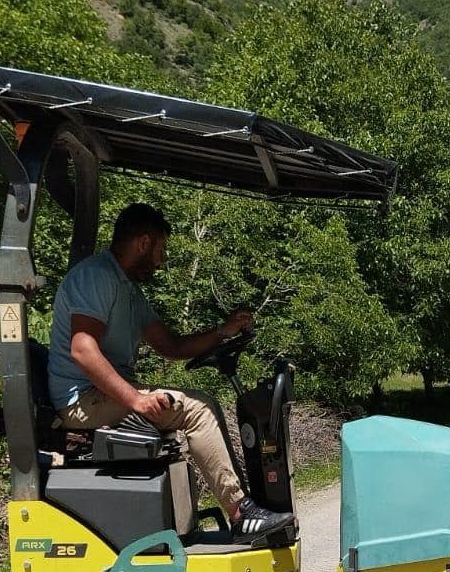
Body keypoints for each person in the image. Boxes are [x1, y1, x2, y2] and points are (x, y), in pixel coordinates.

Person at [46, 202, 294, 544]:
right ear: (144, 243)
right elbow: (82, 350)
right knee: (197, 409)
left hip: (102, 395)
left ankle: (236, 510)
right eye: (161, 251)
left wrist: (223, 331)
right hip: (81, 400)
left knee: (199, 405)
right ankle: (241, 515)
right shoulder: (97, 276)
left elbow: (172, 346)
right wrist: (135, 399)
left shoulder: (128, 289)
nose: (161, 261)